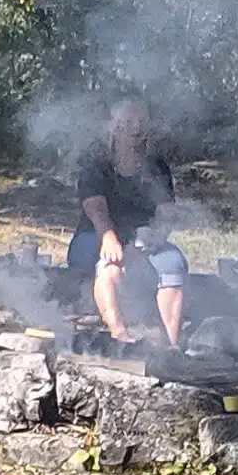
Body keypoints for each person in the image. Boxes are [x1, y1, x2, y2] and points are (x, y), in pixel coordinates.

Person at [73, 93, 189, 347]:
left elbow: (166, 210)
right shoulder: (97, 162)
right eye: (128, 120)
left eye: (141, 120)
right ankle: (120, 336)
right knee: (111, 265)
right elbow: (95, 208)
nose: (136, 127)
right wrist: (109, 237)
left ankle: (171, 345)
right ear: (114, 126)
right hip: (96, 234)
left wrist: (158, 236)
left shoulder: (156, 166)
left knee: (173, 262)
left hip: (142, 239)